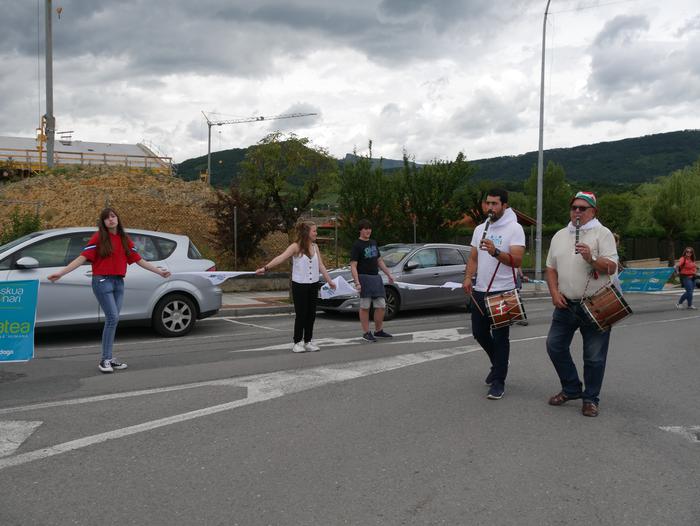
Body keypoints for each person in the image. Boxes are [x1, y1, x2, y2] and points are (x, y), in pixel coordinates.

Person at [48, 208, 171, 373]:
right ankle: (105, 360)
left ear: (118, 219)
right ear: (103, 222)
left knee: (113, 320)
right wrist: (61, 273)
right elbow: (82, 258)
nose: (111, 220)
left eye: (113, 216)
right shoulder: (99, 237)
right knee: (112, 318)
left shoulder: (124, 239)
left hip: (118, 282)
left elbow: (139, 260)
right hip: (102, 281)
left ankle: (109, 357)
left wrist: (159, 272)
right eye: (107, 218)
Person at [544, 191, 619, 417]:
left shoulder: (602, 233)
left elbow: (612, 267)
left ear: (593, 211)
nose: (577, 211)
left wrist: (591, 258)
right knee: (554, 346)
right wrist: (554, 292)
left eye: (582, 208)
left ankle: (590, 399)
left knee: (594, 356)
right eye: (574, 207)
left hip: (597, 302)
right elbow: (551, 268)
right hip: (565, 303)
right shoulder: (559, 235)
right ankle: (571, 388)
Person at [462, 189, 525, 400]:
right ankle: (499, 363)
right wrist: (468, 277)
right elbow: (473, 258)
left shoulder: (514, 228)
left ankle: (499, 381)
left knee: (500, 338)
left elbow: (517, 261)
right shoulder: (480, 228)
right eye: (488, 203)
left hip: (503, 291)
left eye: (495, 204)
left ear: (504, 206)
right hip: (481, 290)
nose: (490, 207)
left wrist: (495, 251)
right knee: (479, 333)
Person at [256, 221, 336, 353]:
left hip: (313, 284)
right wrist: (265, 268)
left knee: (311, 314)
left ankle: (308, 341)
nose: (316, 233)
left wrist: (330, 281)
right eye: (314, 231)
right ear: (307, 232)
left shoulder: (315, 247)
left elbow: (321, 265)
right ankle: (297, 342)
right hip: (300, 285)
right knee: (301, 314)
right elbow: (281, 258)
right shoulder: (295, 247)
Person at [349, 219, 395, 342]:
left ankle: (378, 330)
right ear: (360, 230)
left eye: (369, 228)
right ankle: (366, 332)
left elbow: (379, 260)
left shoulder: (373, 243)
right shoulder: (357, 245)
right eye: (365, 229)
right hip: (363, 278)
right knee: (365, 306)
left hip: (376, 278)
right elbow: (353, 265)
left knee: (381, 305)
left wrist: (389, 274)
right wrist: (357, 282)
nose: (368, 231)